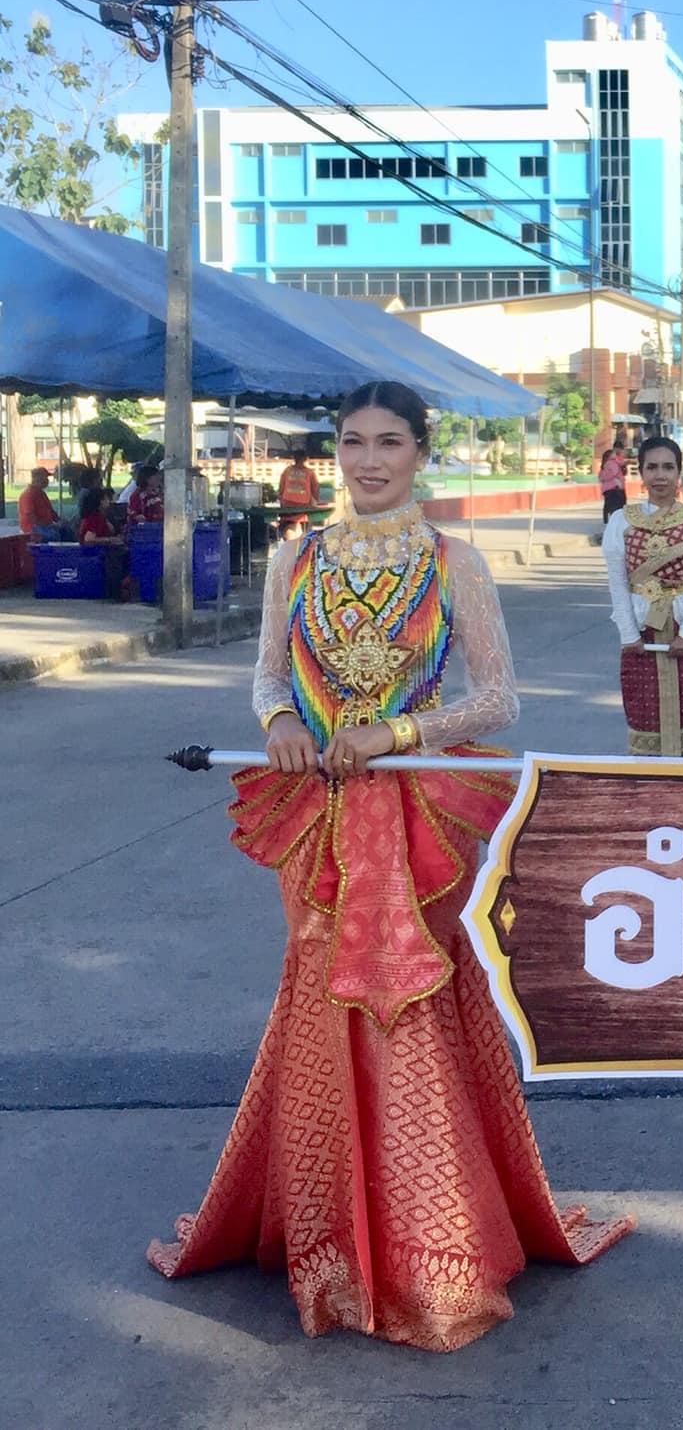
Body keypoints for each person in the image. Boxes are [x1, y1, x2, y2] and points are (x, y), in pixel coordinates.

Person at [148, 380, 630, 1348]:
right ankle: (323, 1229)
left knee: (409, 1000)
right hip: (316, 813)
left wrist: (398, 728)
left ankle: (431, 1240)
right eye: (354, 442)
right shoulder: (297, 556)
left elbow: (496, 697)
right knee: (320, 997)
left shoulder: (454, 560)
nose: (370, 460)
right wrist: (280, 721)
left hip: (418, 813)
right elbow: (268, 671)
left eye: (390, 443)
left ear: (421, 452)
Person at [604, 435, 683, 755]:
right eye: (652, 467)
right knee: (643, 714)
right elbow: (618, 583)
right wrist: (628, 634)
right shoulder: (622, 520)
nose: (660, 475)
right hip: (640, 629)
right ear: (641, 472)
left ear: (679, 472)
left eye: (667, 467)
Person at [277, 446, 319, 538]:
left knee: (288, 528)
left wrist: (282, 502)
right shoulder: (310, 473)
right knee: (307, 528)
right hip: (304, 507)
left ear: (294, 459)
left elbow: (281, 489)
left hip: (287, 506)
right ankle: (305, 541)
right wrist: (315, 503)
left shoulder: (287, 471)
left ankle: (289, 540)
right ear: (305, 459)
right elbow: (315, 489)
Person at [17, 466, 58, 541]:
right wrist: (47, 526)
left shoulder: (41, 493)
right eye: (45, 477)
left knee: (65, 532)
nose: (47, 480)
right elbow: (31, 517)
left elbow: (51, 512)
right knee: (54, 537)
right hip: (32, 528)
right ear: (37, 478)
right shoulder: (28, 494)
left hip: (45, 526)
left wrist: (61, 522)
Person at [597, 445, 627, 526]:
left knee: (608, 505)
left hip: (607, 489)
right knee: (617, 506)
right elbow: (615, 472)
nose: (615, 455)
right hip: (614, 487)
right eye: (613, 454)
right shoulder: (612, 463)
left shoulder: (605, 465)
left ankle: (606, 521)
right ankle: (615, 522)